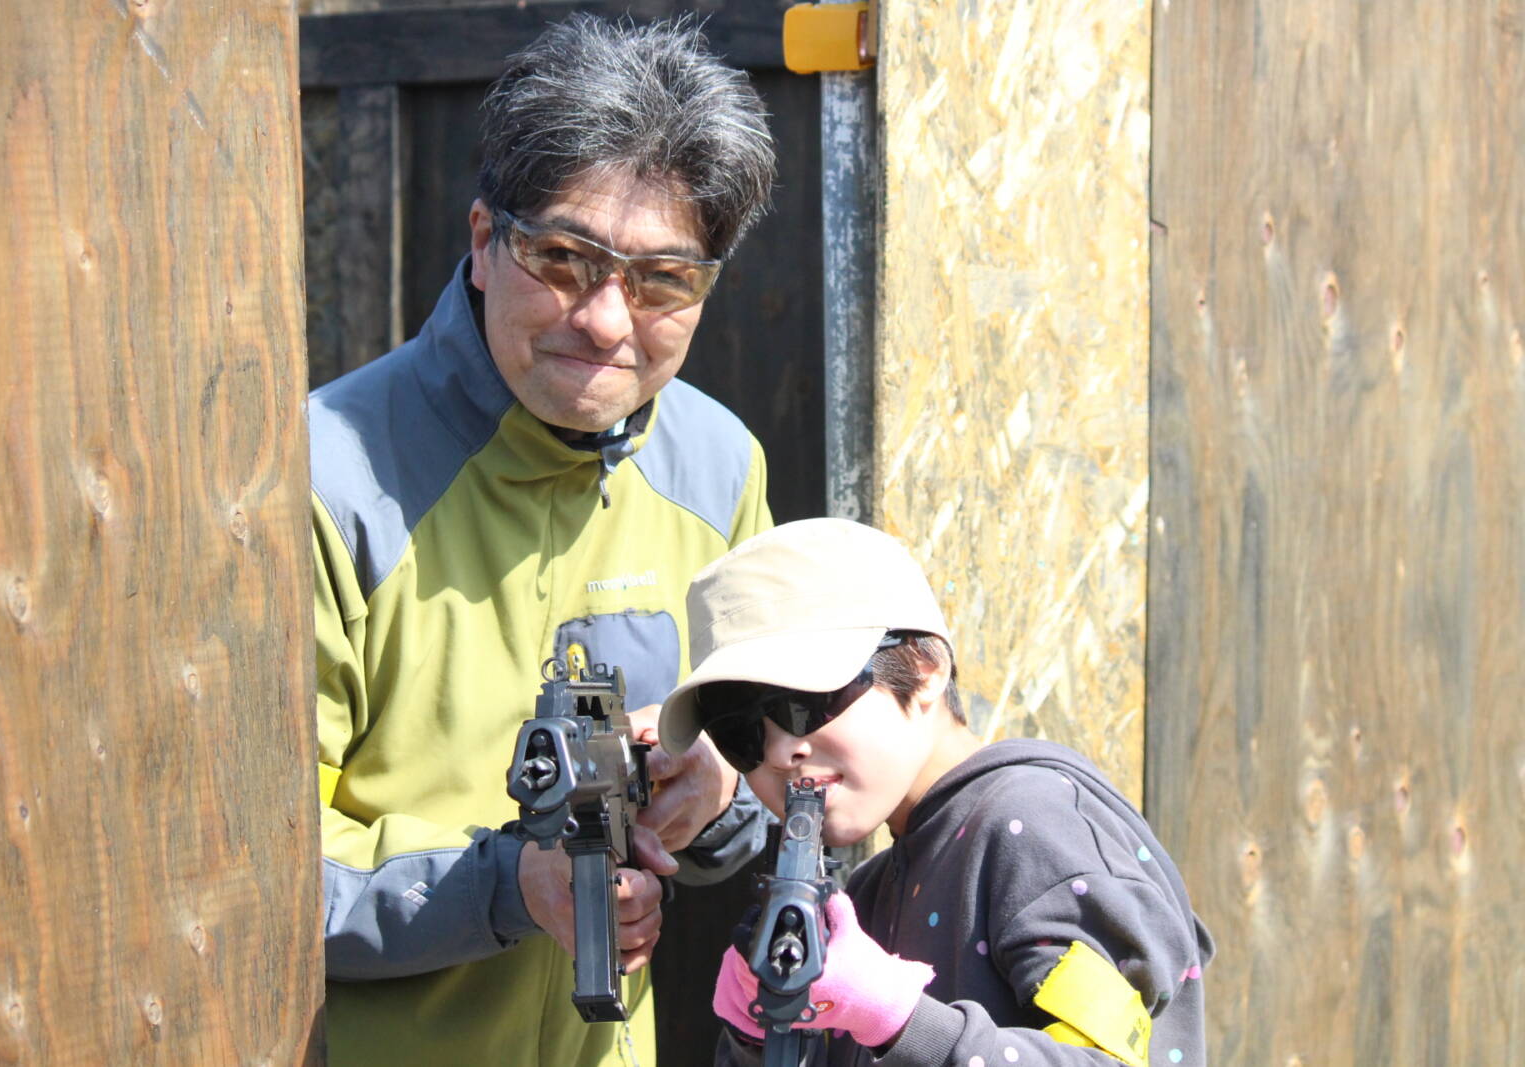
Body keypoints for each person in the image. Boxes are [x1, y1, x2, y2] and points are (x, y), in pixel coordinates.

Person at [309, 14, 779, 1065]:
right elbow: (245, 871)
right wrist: (508, 886)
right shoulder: (322, 483)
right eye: (564, 257)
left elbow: (771, 779)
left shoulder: (721, 469)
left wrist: (716, 798)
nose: (606, 319)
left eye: (663, 278)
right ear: (484, 242)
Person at [658, 519, 1216, 1066]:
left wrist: (898, 1017)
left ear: (925, 670)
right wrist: (759, 1039)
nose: (781, 752)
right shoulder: (870, 890)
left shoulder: (1033, 824)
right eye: (741, 734)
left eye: (802, 704)